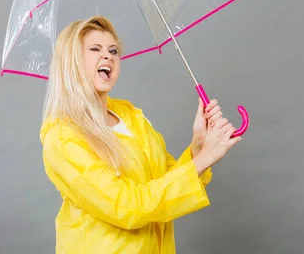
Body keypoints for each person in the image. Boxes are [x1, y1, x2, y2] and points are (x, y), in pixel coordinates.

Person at [39, 15, 241, 253]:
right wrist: (203, 159)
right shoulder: (63, 137)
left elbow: (164, 182)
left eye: (114, 51)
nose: (108, 56)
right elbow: (127, 206)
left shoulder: (129, 114)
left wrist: (199, 144)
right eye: (95, 49)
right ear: (70, 61)